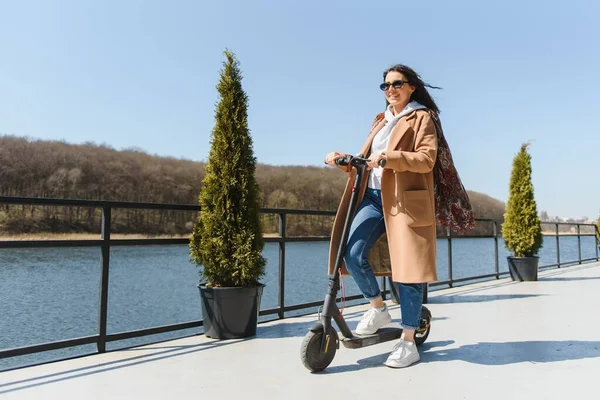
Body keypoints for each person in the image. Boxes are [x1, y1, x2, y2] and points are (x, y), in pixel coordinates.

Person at [325, 64, 474, 368]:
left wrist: (390, 158)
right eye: (385, 86)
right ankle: (378, 307)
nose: (390, 90)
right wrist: (342, 160)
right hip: (373, 196)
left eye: (396, 84)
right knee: (351, 254)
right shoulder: (380, 121)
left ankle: (408, 341)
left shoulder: (423, 118)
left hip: (405, 201)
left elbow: (426, 159)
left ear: (411, 87)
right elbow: (367, 161)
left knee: (408, 271)